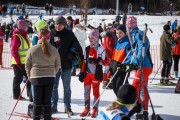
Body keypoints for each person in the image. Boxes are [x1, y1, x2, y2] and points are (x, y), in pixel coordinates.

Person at [50, 16, 83, 115]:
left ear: (64, 25)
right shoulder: (51, 33)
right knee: (54, 87)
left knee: (66, 87)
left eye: (60, 24)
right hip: (54, 66)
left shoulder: (69, 34)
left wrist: (70, 54)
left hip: (66, 65)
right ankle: (53, 106)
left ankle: (67, 107)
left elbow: (77, 46)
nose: (57, 26)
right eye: (56, 24)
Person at [25, 27, 61, 120]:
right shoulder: (53, 49)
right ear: (49, 38)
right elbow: (58, 64)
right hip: (50, 77)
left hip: (36, 77)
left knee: (37, 103)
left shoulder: (32, 49)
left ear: (39, 37)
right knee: (47, 103)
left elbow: (27, 65)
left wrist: (29, 76)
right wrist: (53, 72)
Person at [126, 16, 153, 117]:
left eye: (128, 25)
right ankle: (144, 109)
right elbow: (133, 53)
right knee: (142, 88)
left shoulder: (138, 34)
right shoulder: (133, 34)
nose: (128, 27)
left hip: (144, 66)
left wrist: (138, 62)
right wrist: (127, 64)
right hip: (145, 66)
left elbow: (142, 47)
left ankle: (138, 107)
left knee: (135, 87)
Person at [79, 29, 106, 118]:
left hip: (96, 74)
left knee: (95, 92)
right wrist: (82, 72)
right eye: (89, 38)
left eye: (92, 38)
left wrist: (97, 61)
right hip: (87, 74)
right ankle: (87, 108)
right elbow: (84, 61)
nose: (90, 39)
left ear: (97, 38)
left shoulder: (101, 49)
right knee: (86, 92)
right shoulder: (87, 48)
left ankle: (95, 108)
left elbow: (105, 62)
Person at [109, 24, 133, 96]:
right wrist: (111, 66)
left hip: (121, 69)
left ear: (125, 33)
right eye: (117, 33)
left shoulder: (127, 43)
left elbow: (130, 56)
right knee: (114, 87)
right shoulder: (117, 43)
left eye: (120, 33)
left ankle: (124, 102)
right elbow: (114, 55)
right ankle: (124, 101)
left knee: (119, 87)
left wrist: (125, 65)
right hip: (114, 68)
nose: (118, 35)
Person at [11, 20, 31, 100]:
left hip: (26, 62)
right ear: (23, 27)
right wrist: (18, 62)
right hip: (18, 63)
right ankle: (16, 95)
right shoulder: (16, 36)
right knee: (18, 79)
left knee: (29, 79)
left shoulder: (24, 35)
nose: (27, 28)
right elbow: (14, 51)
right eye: (26, 27)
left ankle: (30, 95)